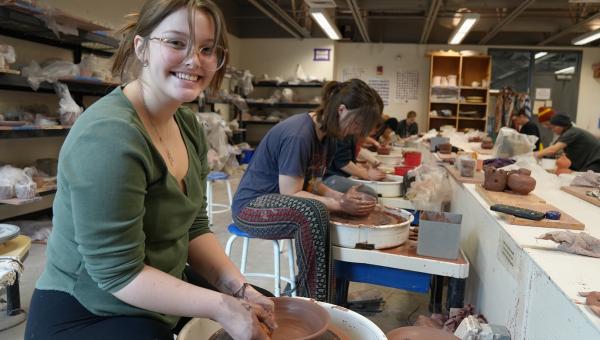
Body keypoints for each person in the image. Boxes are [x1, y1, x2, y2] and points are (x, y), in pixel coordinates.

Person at [25, 2, 275, 340]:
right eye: (176, 43)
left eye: (207, 49)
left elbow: (194, 227)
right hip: (88, 311)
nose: (194, 60)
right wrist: (220, 305)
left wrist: (239, 290)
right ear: (141, 48)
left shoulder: (187, 123)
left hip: (154, 294)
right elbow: (117, 275)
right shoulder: (110, 136)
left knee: (263, 307)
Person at [232, 79, 382, 302]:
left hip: (281, 203)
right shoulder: (299, 135)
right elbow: (291, 193)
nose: (358, 131)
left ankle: (333, 296)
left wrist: (342, 198)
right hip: (251, 208)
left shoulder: (329, 136)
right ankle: (314, 302)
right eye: (358, 123)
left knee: (335, 212)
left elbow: (311, 183)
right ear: (342, 110)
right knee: (313, 212)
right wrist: (339, 203)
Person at [534, 114, 600, 172]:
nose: (553, 130)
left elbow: (553, 150)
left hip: (595, 161)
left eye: (554, 127)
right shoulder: (567, 133)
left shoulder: (572, 132)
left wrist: (533, 156)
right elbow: (552, 149)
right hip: (588, 161)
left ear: (562, 125)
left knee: (588, 182)